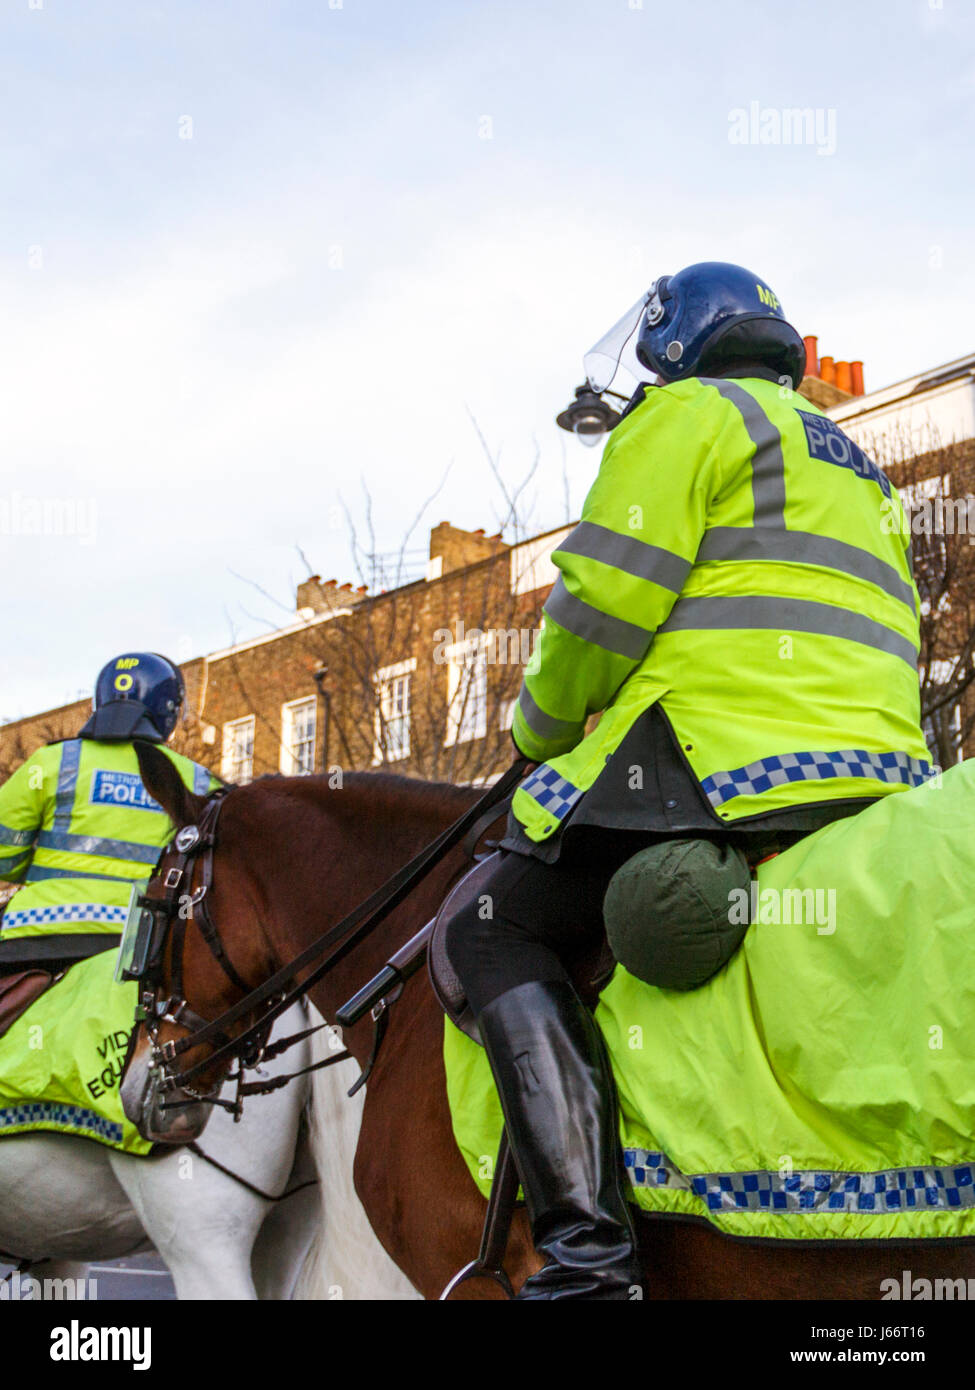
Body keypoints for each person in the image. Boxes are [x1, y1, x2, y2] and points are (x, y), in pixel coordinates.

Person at [444, 261, 931, 1299]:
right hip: (880, 772)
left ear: (673, 345)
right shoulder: (860, 466)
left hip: (721, 760)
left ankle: (586, 1251)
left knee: (489, 926)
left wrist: (537, 728)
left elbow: (599, 607)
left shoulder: (688, 417)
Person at [0, 653, 219, 974]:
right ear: (170, 711)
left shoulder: (51, 762)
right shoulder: (200, 781)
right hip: (144, 941)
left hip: (36, 935)